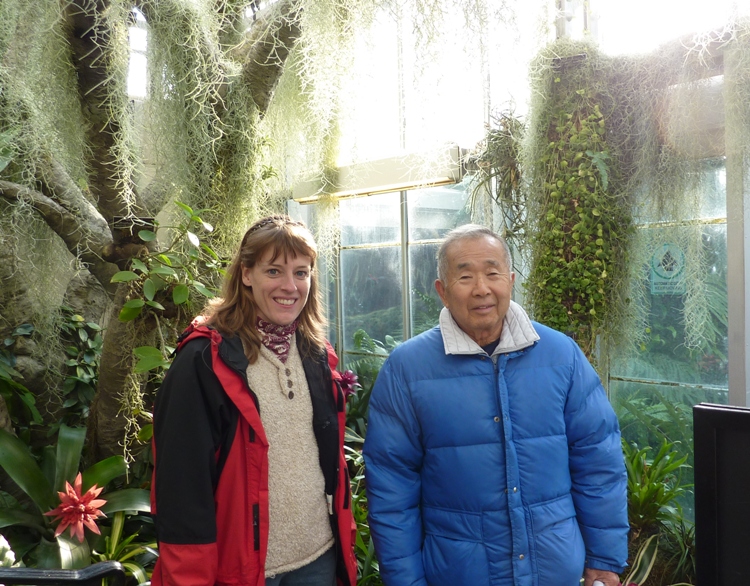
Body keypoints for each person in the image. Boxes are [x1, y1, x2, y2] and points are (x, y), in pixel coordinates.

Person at [363, 224, 628, 586]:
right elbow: (392, 489)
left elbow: (599, 461)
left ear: (511, 280)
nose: (481, 289)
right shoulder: (407, 368)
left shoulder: (560, 354)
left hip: (554, 568)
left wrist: (603, 557)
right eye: (465, 276)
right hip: (458, 571)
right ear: (442, 290)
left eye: (492, 273)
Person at [150, 215, 357, 586]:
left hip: (317, 558)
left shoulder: (316, 355)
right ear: (246, 273)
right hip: (243, 569)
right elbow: (181, 484)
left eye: (301, 272)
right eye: (274, 271)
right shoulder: (204, 361)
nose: (290, 286)